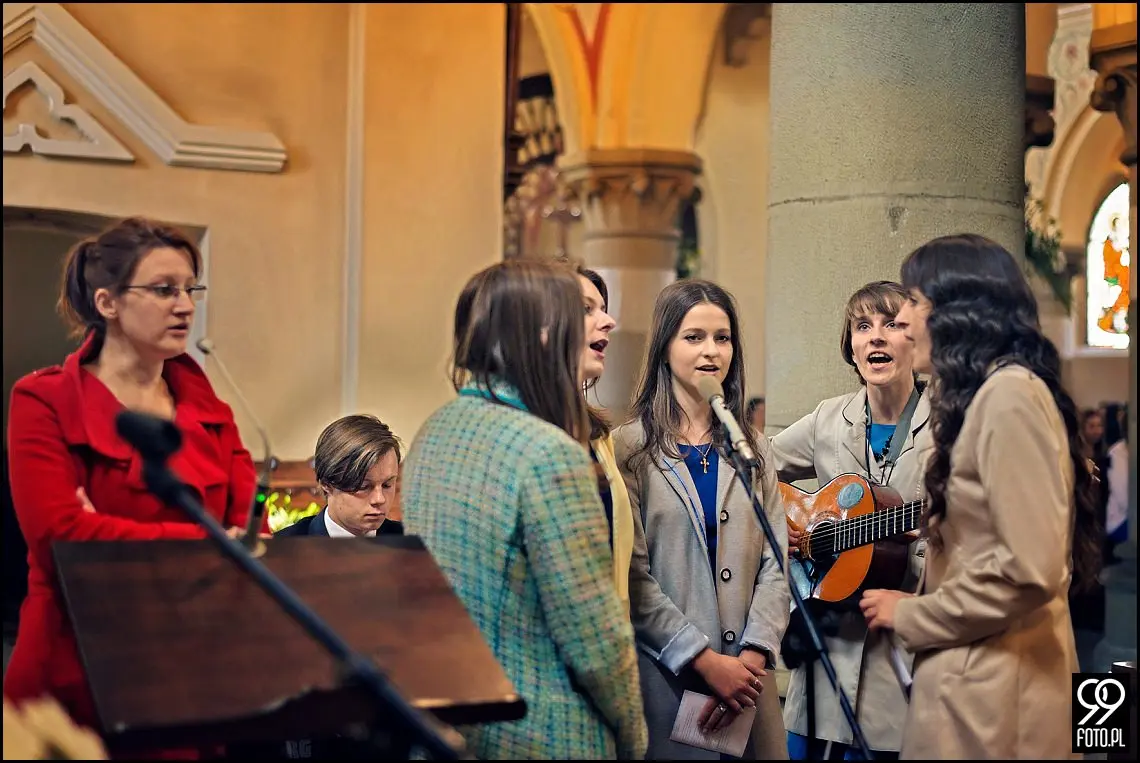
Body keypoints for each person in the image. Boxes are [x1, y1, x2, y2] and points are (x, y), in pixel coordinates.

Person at [4, 217, 263, 746]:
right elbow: (61, 541)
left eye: (191, 289)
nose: (186, 305)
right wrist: (205, 547)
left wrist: (109, 531)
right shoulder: (44, 400)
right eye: (165, 290)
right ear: (108, 303)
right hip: (78, 672)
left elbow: (246, 539)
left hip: (189, 670)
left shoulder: (205, 402)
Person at [860, 233, 1101, 760]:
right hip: (978, 688)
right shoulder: (984, 397)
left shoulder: (1009, 398)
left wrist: (913, 615)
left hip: (998, 704)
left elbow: (1030, 571)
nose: (902, 321)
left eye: (915, 303)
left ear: (956, 313)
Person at [401, 260, 647, 760]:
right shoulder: (547, 453)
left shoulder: (436, 430)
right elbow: (594, 641)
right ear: (538, 333)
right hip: (543, 732)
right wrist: (634, 733)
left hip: (448, 725)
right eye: (578, 311)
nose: (609, 322)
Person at [615, 279, 789, 759]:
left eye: (722, 337)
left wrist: (752, 656)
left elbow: (777, 564)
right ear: (665, 346)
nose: (711, 350)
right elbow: (634, 577)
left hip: (750, 684)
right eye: (693, 337)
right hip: (672, 680)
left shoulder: (753, 448)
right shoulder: (629, 450)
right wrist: (705, 661)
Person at [771, 281, 930, 760]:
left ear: (915, 342)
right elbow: (753, 469)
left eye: (892, 325)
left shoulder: (950, 424)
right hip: (824, 656)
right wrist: (788, 523)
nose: (876, 337)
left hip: (902, 658)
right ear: (852, 346)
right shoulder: (827, 418)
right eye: (863, 327)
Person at [572, 263, 637, 615]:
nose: (609, 321)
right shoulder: (523, 436)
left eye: (603, 307)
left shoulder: (599, 439)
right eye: (586, 309)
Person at [275, 414, 403, 538]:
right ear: (327, 484)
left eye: (387, 485)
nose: (379, 499)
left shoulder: (416, 545)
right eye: (363, 486)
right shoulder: (281, 549)